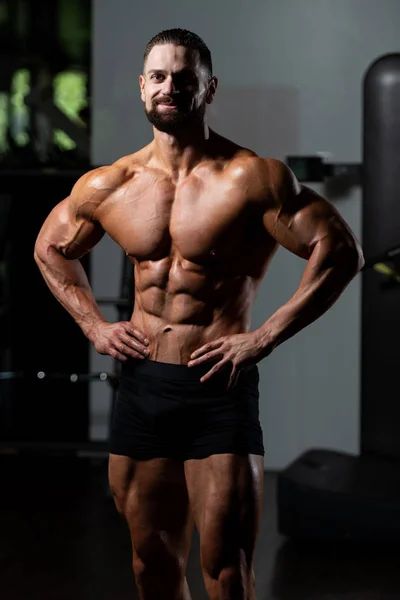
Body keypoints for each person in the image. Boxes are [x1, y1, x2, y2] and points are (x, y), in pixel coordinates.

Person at [34, 28, 364, 600]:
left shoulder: (252, 178)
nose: (169, 88)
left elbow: (340, 252)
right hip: (142, 388)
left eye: (184, 78)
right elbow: (51, 248)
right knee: (151, 566)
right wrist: (92, 323)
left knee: (227, 568)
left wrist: (262, 337)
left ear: (208, 88)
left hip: (218, 390)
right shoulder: (109, 184)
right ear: (142, 88)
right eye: (158, 77)